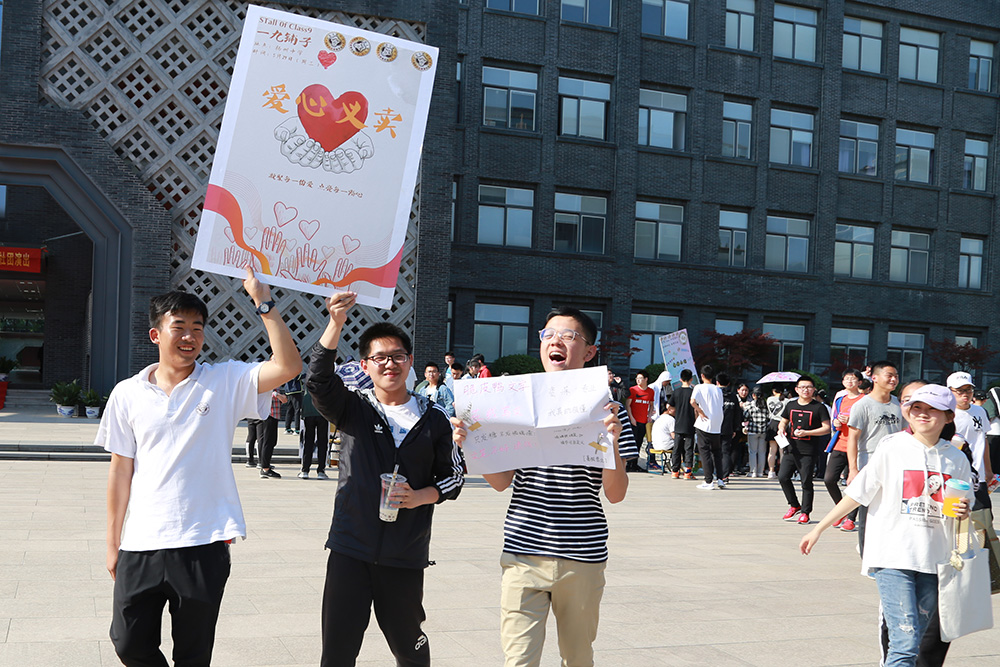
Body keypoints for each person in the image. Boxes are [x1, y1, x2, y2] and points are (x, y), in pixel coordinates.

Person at [101, 269, 301, 666]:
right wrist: (112, 544)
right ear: (156, 334)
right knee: (128, 642)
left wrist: (263, 302)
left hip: (202, 541)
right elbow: (120, 472)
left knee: (193, 654)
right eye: (179, 327)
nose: (189, 336)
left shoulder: (224, 380)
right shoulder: (127, 393)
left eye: (197, 328)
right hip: (141, 542)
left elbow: (288, 366)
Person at [451, 307, 637, 667]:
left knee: (577, 659)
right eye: (548, 335)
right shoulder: (515, 402)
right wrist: (472, 444)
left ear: (589, 351)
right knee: (518, 660)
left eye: (568, 336)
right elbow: (502, 482)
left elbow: (615, 494)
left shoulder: (609, 410)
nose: (556, 342)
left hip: (581, 557)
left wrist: (612, 443)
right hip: (523, 552)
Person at [306, 291, 464, 667]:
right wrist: (335, 322)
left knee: (410, 649)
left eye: (398, 356)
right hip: (350, 548)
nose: (389, 364)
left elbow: (455, 477)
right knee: (337, 652)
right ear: (365, 364)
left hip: (404, 553)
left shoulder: (435, 418)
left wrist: (421, 496)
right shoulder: (353, 407)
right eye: (380, 357)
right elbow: (318, 380)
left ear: (409, 362)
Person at [799, 384, 972, 667]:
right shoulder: (892, 447)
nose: (923, 414)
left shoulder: (957, 458)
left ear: (948, 416)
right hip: (892, 557)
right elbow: (858, 493)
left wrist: (963, 512)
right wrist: (818, 528)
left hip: (935, 561)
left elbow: (962, 508)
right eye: (917, 408)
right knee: (905, 642)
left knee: (915, 643)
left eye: (932, 410)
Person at [846, 360, 902, 553]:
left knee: (890, 511)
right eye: (889, 375)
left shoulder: (898, 404)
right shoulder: (863, 405)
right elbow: (852, 438)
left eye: (896, 376)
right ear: (875, 378)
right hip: (869, 464)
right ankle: (866, 553)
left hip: (895, 466)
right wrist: (853, 469)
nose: (894, 379)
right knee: (867, 513)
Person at [777, 376, 832, 524]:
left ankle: (805, 512)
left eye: (809, 387)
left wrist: (808, 432)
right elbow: (783, 421)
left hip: (809, 450)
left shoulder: (819, 407)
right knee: (783, 477)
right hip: (791, 448)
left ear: (814, 389)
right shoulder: (790, 404)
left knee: (806, 482)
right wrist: (781, 429)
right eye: (802, 387)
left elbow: (826, 428)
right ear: (797, 389)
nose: (805, 390)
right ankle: (794, 505)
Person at [823, 369, 865, 532]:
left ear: (859, 382)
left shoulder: (865, 400)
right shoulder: (840, 399)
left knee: (853, 483)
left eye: (853, 379)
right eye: (846, 379)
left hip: (858, 446)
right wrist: (836, 423)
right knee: (829, 479)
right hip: (840, 443)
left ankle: (851, 519)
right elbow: (835, 418)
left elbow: (868, 423)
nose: (849, 381)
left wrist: (851, 420)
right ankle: (842, 510)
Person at [947, 371, 994, 486]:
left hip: (978, 474)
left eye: (968, 390)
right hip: (954, 474)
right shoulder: (945, 413)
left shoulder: (980, 411)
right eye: (960, 390)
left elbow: (983, 440)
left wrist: (988, 469)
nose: (965, 394)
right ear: (949, 391)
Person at [692, 365, 725, 489]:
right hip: (717, 423)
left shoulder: (699, 387)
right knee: (717, 452)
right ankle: (720, 479)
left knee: (705, 452)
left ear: (702, 376)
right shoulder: (718, 389)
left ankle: (708, 481)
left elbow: (692, 401)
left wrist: (700, 411)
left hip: (704, 423)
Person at [298, 377, 330, 480]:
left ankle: (305, 470)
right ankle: (321, 470)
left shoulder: (308, 378)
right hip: (323, 412)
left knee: (308, 442)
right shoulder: (327, 380)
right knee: (322, 442)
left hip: (308, 411)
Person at [668, 368, 697, 479]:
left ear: (680, 379)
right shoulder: (693, 392)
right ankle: (687, 472)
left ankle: (675, 471)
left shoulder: (676, 392)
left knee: (677, 448)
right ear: (691, 379)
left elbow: (669, 406)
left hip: (678, 423)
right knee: (689, 449)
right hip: (690, 424)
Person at [627, 370, 655, 470]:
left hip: (643, 421)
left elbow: (651, 405)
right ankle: (629, 464)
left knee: (639, 442)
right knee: (632, 443)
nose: (638, 380)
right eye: (637, 378)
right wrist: (631, 418)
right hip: (633, 421)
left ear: (646, 379)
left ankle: (635, 464)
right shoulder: (633, 390)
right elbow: (628, 405)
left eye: (640, 378)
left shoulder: (650, 391)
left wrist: (649, 415)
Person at [717, 372, 741, 483]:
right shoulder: (733, 397)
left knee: (714, 451)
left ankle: (715, 473)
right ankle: (725, 475)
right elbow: (737, 414)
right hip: (728, 428)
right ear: (728, 383)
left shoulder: (715, 395)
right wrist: (735, 428)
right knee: (725, 452)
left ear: (717, 382)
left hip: (714, 427)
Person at [743, 386, 770, 478]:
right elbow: (768, 417)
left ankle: (753, 471)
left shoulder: (750, 405)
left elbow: (745, 416)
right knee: (762, 452)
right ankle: (760, 472)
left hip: (753, 431)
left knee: (752, 452)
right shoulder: (766, 405)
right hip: (763, 431)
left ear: (753, 395)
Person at [765, 386, 785, 478]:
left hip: (772, 424)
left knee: (772, 450)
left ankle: (771, 471)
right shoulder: (786, 400)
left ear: (773, 391)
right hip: (782, 424)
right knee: (782, 450)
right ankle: (782, 471)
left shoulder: (769, 399)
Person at [283, 369, 305, 434]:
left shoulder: (286, 370)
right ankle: (297, 429)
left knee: (290, 410)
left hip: (288, 392)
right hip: (295, 391)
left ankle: (287, 428)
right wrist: (307, 374)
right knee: (297, 410)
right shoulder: (292, 370)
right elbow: (297, 377)